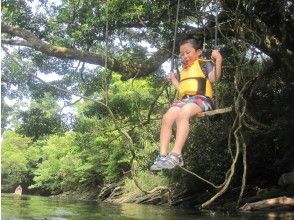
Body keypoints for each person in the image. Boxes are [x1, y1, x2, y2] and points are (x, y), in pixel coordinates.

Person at [150, 36, 223, 170]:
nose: (184, 56)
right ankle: (162, 155)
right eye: (182, 54)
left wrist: (218, 60)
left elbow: (215, 78)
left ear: (198, 52)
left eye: (188, 52)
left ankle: (176, 154)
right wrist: (174, 80)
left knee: (183, 113)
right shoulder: (183, 69)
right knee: (167, 118)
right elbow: (183, 90)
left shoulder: (204, 63)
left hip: (202, 99)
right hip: (185, 100)